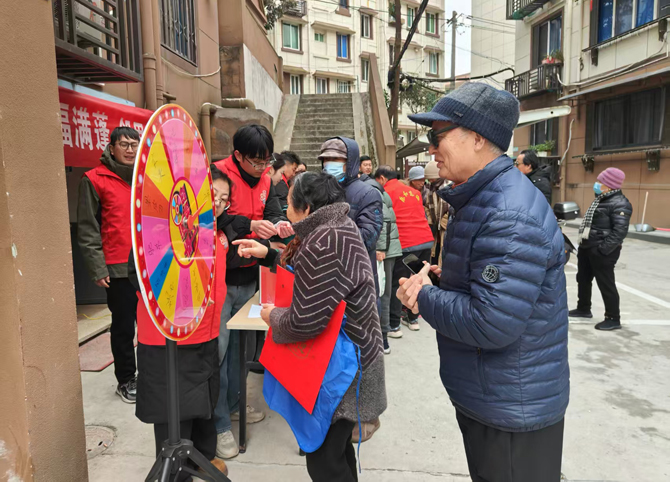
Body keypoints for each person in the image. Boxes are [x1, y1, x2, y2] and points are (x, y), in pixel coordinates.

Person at [398, 82, 569, 482]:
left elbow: (491, 321)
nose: (431, 149)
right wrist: (449, 279)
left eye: (437, 136)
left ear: (477, 138)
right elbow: (498, 286)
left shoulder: (508, 212)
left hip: (511, 408)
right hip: (495, 396)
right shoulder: (484, 196)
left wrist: (424, 297)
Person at [234, 172, 387, 481]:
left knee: (324, 462)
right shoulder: (337, 226)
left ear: (305, 207)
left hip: (345, 368)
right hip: (355, 356)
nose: (285, 209)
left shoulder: (324, 240)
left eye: (289, 202)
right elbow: (314, 280)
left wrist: (272, 316)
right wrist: (268, 253)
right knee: (337, 453)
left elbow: (305, 322)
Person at [131, 166, 238, 479]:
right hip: (171, 342)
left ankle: (203, 461)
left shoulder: (214, 233)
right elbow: (143, 282)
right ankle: (179, 473)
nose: (217, 203)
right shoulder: (158, 231)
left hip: (205, 337)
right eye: (212, 195)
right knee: (174, 421)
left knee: (204, 409)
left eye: (224, 199)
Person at [212, 124, 292, 459]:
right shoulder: (216, 175)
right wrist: (248, 224)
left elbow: (272, 210)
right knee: (217, 354)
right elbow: (210, 217)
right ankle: (218, 425)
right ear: (238, 156)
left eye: (266, 162)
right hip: (218, 278)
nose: (262, 168)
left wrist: (277, 224)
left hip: (250, 275)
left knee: (239, 350)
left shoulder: (266, 180)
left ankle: (234, 405)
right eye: (256, 162)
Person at [77, 126, 141, 403]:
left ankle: (151, 375)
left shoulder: (146, 177)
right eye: (124, 144)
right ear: (111, 148)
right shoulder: (94, 179)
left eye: (134, 145)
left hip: (148, 264)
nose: (130, 150)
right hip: (117, 267)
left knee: (150, 326)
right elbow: (88, 228)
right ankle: (126, 379)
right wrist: (97, 268)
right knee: (124, 327)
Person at [570, 167, 632, 331]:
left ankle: (613, 318)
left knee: (606, 283)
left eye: (600, 181)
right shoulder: (601, 199)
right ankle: (583, 308)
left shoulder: (620, 203)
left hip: (602, 250)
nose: (597, 184)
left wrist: (602, 250)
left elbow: (619, 232)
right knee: (583, 278)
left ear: (609, 184)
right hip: (587, 246)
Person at [375, 165, 433, 336]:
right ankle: (413, 319)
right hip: (425, 240)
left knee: (398, 282)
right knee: (418, 279)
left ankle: (394, 325)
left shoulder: (385, 192)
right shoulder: (414, 193)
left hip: (407, 244)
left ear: (382, 178)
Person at [318, 137, 383, 279]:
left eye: (336, 159)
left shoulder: (369, 194)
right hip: (324, 272)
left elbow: (368, 237)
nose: (329, 164)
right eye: (326, 159)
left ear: (351, 162)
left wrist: (327, 240)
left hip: (356, 276)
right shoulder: (320, 191)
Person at [423, 160, 450, 266]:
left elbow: (454, 208)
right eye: (428, 179)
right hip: (435, 228)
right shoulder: (431, 190)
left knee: (444, 252)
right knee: (435, 253)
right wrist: (431, 221)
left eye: (432, 178)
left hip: (446, 227)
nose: (430, 181)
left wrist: (444, 221)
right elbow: (427, 206)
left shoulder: (449, 187)